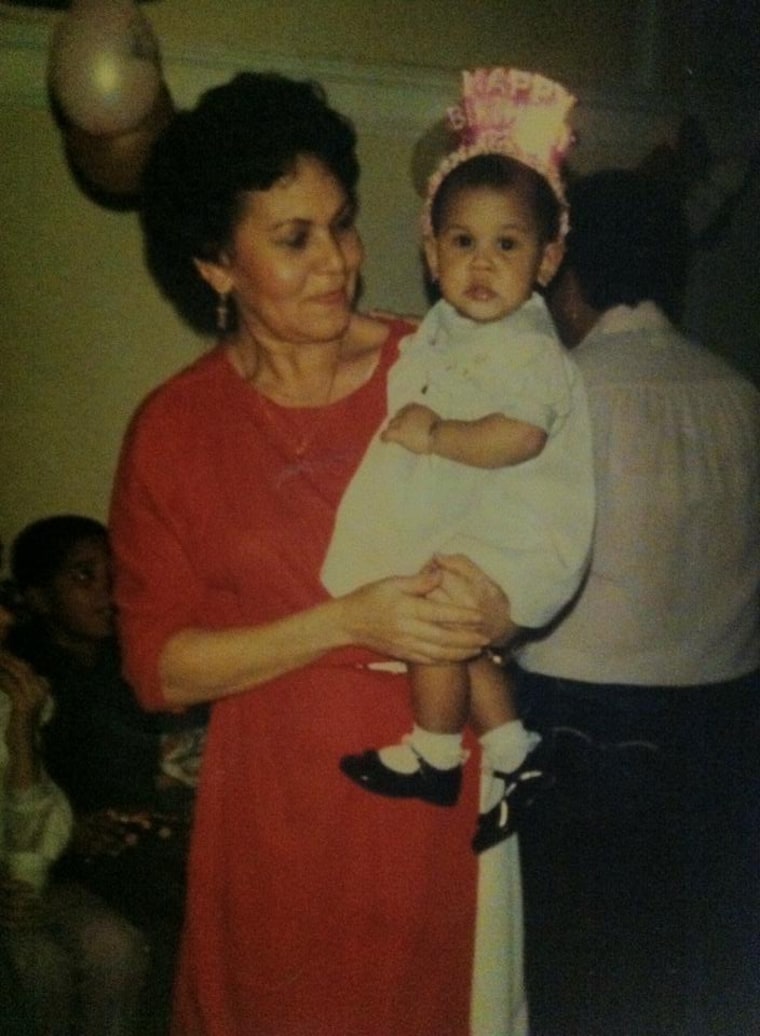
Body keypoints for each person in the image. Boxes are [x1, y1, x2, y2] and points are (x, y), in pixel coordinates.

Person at [109, 70, 528, 1036]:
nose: (338, 261)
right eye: (293, 239)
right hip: (278, 814)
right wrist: (345, 621)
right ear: (216, 264)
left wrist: (500, 612)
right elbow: (156, 666)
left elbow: (541, 532)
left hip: (435, 789)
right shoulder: (174, 430)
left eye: (340, 224)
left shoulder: (443, 363)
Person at [322, 68, 594, 853]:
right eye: (462, 242)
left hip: (528, 529)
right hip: (495, 525)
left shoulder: (531, 349)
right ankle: (512, 748)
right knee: (457, 624)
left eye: (507, 245)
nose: (481, 264)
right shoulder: (454, 332)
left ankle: (436, 754)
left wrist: (436, 435)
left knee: (435, 616)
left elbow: (520, 437)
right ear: (431, 248)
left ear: (547, 260)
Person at [514, 169, 760, 1035]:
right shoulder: (742, 397)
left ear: (570, 271)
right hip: (723, 734)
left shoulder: (563, 397)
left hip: (585, 734)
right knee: (688, 980)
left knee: (578, 981)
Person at [7, 514, 207, 1035]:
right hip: (57, 860)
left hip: (130, 840)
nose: (107, 591)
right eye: (82, 577)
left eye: (114, 574)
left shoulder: (131, 658)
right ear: (37, 598)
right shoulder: (25, 680)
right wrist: (77, 835)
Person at [0, 573, 148, 1036]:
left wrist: (21, 730)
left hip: (26, 878)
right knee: (36, 967)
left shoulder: (18, 692)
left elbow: (33, 828)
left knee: (114, 946)